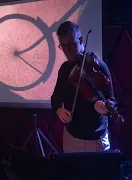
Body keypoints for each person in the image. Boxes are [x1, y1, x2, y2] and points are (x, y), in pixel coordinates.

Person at [50, 21, 116, 153]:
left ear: (81, 40)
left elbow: (112, 102)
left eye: (71, 44)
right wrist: (59, 110)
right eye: (63, 46)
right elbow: (55, 97)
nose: (67, 51)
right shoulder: (64, 69)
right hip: (71, 137)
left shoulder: (99, 66)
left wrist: (103, 108)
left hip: (95, 140)